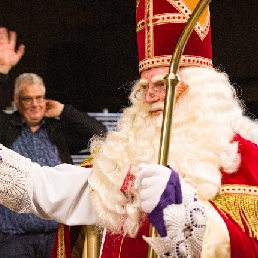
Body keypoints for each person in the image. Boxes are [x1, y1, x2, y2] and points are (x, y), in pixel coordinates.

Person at [0, 1, 258, 257]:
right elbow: (44, 189)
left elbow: (246, 247)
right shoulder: (121, 159)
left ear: (202, 92)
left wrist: (184, 209)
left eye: (161, 84)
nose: (148, 98)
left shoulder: (245, 160)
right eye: (144, 88)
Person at [0, 27, 107, 257]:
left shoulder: (57, 130)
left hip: (53, 237)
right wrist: (2, 71)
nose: (35, 104)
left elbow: (99, 134)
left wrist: (63, 110)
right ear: (17, 101)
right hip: (14, 241)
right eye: (28, 99)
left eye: (40, 98)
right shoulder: (5, 127)